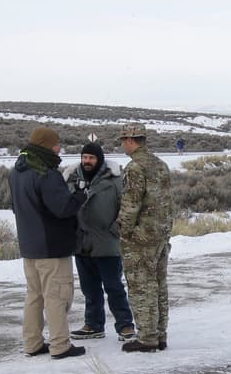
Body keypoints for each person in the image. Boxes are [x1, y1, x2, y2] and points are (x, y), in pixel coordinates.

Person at [9, 125, 88, 360]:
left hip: (29, 245)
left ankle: (32, 343)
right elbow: (62, 208)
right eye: (56, 144)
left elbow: (16, 207)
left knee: (34, 296)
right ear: (46, 145)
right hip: (51, 247)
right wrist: (79, 196)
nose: (59, 147)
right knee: (57, 296)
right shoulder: (45, 172)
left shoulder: (16, 171)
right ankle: (60, 344)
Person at [65, 141, 135, 342]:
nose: (87, 161)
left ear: (99, 159)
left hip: (107, 243)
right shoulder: (72, 178)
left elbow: (127, 208)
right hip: (82, 244)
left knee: (114, 287)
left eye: (91, 158)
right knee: (89, 289)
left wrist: (116, 230)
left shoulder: (114, 179)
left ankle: (125, 325)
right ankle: (94, 325)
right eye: (84, 157)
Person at [117, 123, 173, 353]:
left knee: (141, 286)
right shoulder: (160, 165)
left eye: (123, 140)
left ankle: (147, 337)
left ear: (130, 141)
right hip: (160, 234)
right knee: (159, 285)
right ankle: (160, 335)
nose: (122, 145)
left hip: (141, 237)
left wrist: (124, 230)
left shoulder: (135, 167)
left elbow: (131, 204)